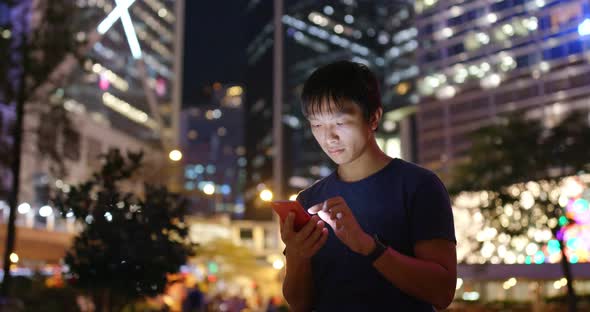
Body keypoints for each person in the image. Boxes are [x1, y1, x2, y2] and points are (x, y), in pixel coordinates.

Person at [279, 61, 457, 311]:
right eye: (317, 125)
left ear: (373, 117)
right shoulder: (308, 200)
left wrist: (369, 247)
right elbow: (299, 303)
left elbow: (442, 292)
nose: (329, 137)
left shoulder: (418, 185)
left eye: (340, 123)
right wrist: (297, 256)